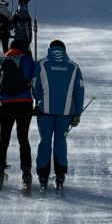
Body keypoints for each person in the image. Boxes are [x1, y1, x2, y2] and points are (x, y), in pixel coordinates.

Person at [31, 39, 84, 191]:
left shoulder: (41, 64)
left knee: (45, 141)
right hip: (66, 113)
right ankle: (60, 176)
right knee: (61, 141)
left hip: (45, 112)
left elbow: (34, 88)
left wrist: (38, 99)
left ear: (49, 49)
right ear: (64, 50)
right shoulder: (74, 67)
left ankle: (43, 176)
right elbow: (79, 92)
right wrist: (77, 114)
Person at [0, 41, 36, 193]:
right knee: (23, 139)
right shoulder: (28, 62)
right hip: (25, 104)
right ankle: (26, 176)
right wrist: (38, 103)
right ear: (22, 50)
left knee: (4, 140)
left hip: (6, 105)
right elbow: (36, 84)